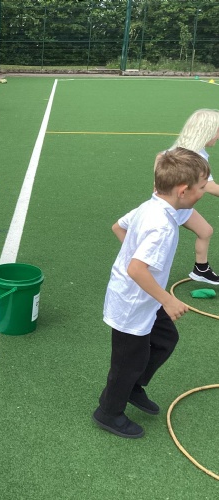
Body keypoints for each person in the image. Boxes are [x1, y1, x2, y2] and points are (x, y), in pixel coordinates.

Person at [93, 148, 210, 439]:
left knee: (165, 339)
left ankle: (133, 387)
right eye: (202, 187)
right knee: (126, 362)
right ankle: (108, 412)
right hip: (132, 303)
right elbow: (136, 269)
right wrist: (167, 298)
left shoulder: (152, 206)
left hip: (146, 298)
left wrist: (138, 260)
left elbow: (118, 227)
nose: (204, 192)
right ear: (182, 191)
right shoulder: (162, 227)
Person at [160, 109, 219, 285]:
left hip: (180, 204)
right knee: (163, 243)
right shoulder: (194, 156)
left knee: (205, 231)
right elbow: (209, 186)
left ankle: (201, 269)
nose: (218, 136)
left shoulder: (186, 150)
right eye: (217, 131)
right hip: (171, 206)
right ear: (206, 131)